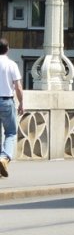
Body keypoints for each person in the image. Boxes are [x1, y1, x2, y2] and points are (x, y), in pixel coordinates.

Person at [0, 37, 23, 177]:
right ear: (7, 49)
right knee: (10, 133)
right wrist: (22, 103)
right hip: (7, 101)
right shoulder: (11, 64)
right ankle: (4, 157)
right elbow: (18, 87)